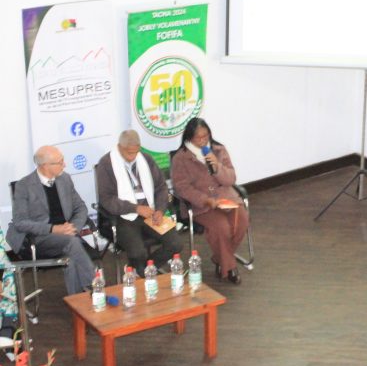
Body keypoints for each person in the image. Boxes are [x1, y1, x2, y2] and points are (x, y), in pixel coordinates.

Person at [6, 146, 94, 295]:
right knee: (72, 243)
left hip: (67, 235)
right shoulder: (24, 186)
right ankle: (94, 286)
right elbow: (20, 222)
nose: (64, 164)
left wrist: (73, 227)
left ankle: (77, 299)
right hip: (38, 238)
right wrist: (53, 229)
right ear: (45, 166)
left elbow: (80, 207)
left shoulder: (65, 179)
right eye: (60, 162)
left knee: (71, 256)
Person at [171, 117, 248, 284]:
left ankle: (220, 259)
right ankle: (229, 268)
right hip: (201, 205)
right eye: (198, 137)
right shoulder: (180, 158)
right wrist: (205, 200)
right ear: (189, 137)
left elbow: (230, 179)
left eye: (205, 136)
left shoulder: (219, 150)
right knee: (221, 228)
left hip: (226, 197)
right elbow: (182, 188)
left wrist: (217, 166)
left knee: (242, 222)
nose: (203, 140)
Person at [96, 130, 182, 276]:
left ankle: (144, 270)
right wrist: (135, 208)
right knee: (137, 253)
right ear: (120, 147)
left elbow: (161, 187)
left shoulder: (146, 159)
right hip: (123, 217)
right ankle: (143, 271)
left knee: (175, 244)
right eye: (129, 153)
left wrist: (160, 210)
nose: (133, 157)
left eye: (136, 152)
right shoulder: (106, 164)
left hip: (151, 212)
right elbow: (106, 199)